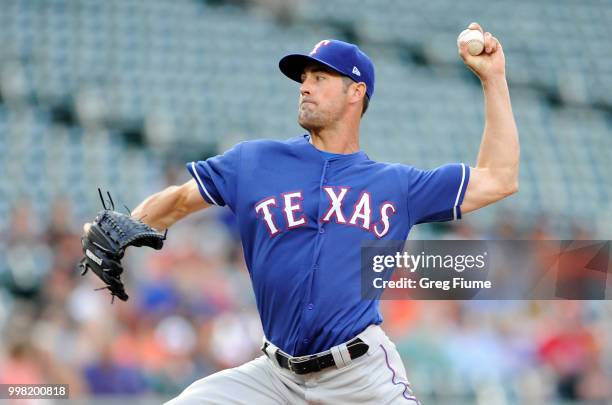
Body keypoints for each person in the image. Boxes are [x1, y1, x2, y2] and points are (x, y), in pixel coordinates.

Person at [88, 22, 519, 404]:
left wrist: (493, 79)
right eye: (303, 78)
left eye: (319, 77)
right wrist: (132, 224)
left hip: (359, 378)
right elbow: (180, 199)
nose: (305, 86)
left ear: (356, 92)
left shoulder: (398, 185)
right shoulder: (255, 162)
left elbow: (499, 177)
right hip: (273, 377)